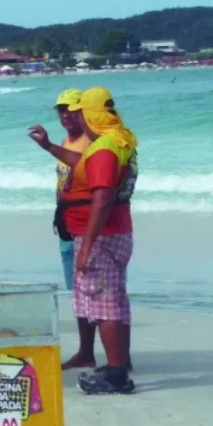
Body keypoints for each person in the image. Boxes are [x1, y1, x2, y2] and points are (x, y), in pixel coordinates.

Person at [29, 86, 138, 395]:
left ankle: (116, 374)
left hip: (101, 236)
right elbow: (82, 165)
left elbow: (102, 199)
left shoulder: (104, 147)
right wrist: (49, 146)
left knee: (103, 304)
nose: (75, 117)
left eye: (79, 113)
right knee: (114, 299)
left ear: (90, 114)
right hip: (118, 231)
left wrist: (86, 247)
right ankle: (120, 363)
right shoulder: (121, 140)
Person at [42, 88, 98, 370]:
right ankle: (85, 351)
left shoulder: (91, 140)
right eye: (60, 110)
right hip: (66, 222)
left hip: (85, 224)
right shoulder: (69, 139)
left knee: (93, 291)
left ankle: (103, 352)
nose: (64, 115)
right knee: (76, 290)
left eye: (70, 109)